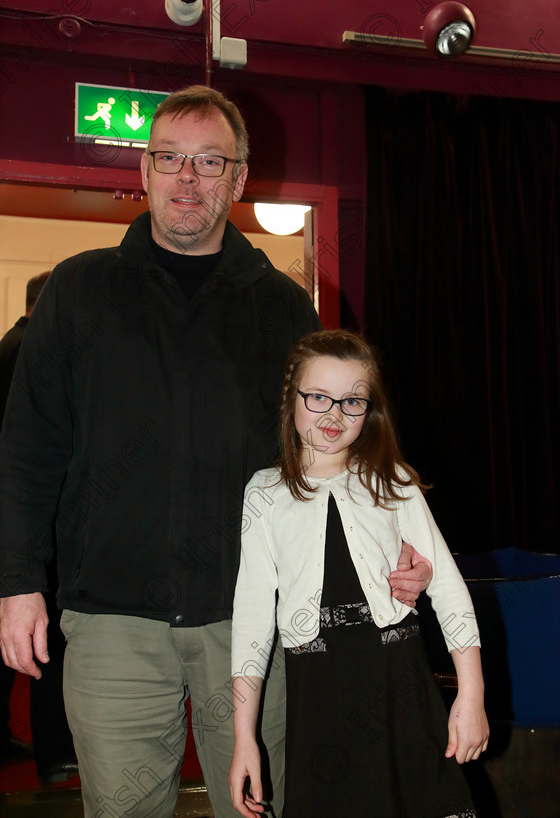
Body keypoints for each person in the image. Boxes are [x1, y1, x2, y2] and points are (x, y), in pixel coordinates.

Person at [0, 87, 430, 818]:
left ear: (238, 178)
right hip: (112, 624)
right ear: (144, 168)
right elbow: (28, 450)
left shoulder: (284, 309)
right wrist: (16, 582)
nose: (187, 178)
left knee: (260, 809)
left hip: (253, 620)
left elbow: (334, 452)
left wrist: (399, 538)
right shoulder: (80, 292)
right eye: (170, 158)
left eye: (208, 161)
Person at [229, 329, 489, 818]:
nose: (333, 415)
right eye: (318, 397)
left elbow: (451, 592)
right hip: (319, 700)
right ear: (291, 400)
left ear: (370, 410)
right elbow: (252, 621)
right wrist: (245, 738)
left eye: (352, 401)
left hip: (401, 688)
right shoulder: (263, 493)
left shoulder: (395, 481)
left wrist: (471, 695)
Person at [0, 271, 78, 784]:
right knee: (47, 637)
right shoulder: (34, 354)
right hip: (30, 518)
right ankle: (55, 752)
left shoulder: (8, 344)